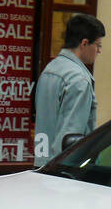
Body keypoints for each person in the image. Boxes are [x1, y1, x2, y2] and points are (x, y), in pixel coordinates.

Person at [34, 12, 104, 167]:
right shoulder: (78, 80)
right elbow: (71, 139)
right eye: (98, 45)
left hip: (41, 163)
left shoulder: (49, 70)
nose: (99, 51)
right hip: (63, 171)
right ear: (84, 43)